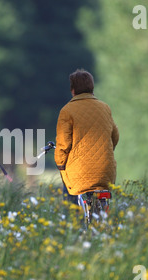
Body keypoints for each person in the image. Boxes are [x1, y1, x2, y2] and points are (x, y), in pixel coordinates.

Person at [55, 69, 119, 204]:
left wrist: (60, 165)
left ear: (73, 90)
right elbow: (115, 136)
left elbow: (63, 144)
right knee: (103, 204)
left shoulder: (67, 111)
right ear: (92, 87)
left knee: (71, 199)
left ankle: (75, 221)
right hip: (106, 172)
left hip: (79, 173)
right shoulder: (105, 108)